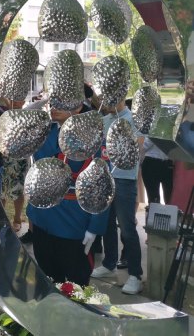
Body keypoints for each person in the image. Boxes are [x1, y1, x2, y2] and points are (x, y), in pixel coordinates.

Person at [28, 104, 109, 286]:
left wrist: (95, 227)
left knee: (76, 288)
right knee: (48, 282)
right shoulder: (43, 133)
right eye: (53, 100)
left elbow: (102, 185)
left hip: (73, 223)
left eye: (62, 100)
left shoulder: (91, 138)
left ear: (78, 106)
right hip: (43, 220)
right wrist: (32, 212)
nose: (55, 106)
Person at [91, 98, 144, 295]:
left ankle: (135, 274)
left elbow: (139, 149)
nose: (105, 100)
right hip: (106, 177)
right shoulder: (104, 120)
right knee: (107, 225)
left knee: (127, 229)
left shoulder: (133, 118)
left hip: (124, 180)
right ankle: (109, 262)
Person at [141, 137, 173, 205]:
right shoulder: (153, 127)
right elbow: (145, 146)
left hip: (166, 163)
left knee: (170, 198)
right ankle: (153, 214)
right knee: (154, 199)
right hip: (152, 162)